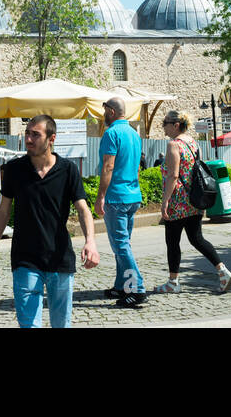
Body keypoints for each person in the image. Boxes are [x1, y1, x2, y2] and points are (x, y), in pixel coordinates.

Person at [0, 115, 99, 328]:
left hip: (60, 259)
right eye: (27, 133)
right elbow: (3, 212)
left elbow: (83, 209)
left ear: (51, 138)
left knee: (61, 324)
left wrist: (90, 241)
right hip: (25, 260)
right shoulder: (14, 170)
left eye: (35, 134)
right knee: (29, 325)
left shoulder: (68, 170)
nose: (28, 139)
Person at [153, 111, 231, 295]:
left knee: (172, 241)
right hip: (194, 199)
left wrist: (165, 202)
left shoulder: (173, 145)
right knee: (197, 238)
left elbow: (173, 175)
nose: (163, 127)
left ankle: (173, 282)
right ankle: (222, 271)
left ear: (175, 125)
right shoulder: (192, 142)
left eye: (165, 123)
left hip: (178, 200)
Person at [95, 97, 145, 306]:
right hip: (133, 195)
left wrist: (100, 196)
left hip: (116, 197)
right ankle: (121, 286)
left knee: (121, 245)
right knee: (122, 245)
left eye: (105, 110)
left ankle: (137, 288)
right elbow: (137, 166)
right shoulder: (134, 134)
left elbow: (108, 167)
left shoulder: (112, 133)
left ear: (112, 112)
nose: (103, 114)